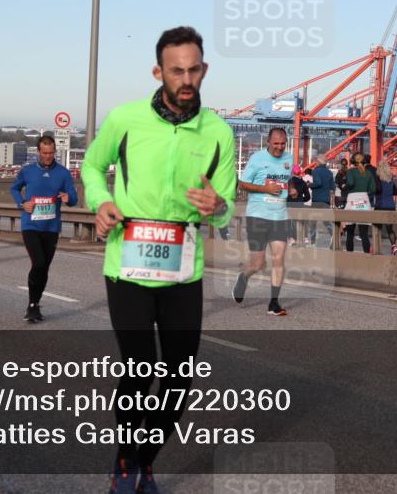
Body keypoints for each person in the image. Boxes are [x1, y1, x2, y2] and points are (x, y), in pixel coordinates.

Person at [82, 26, 236, 494]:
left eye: (194, 70)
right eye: (176, 71)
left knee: (178, 375)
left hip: (183, 268)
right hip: (126, 262)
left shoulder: (219, 132)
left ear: (204, 70)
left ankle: (140, 461)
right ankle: (127, 462)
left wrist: (219, 207)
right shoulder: (125, 119)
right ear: (159, 72)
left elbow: (225, 202)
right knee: (141, 364)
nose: (186, 79)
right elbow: (92, 165)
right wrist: (100, 201)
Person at [10, 136, 77, 322]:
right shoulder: (28, 171)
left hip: (52, 227)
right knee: (38, 263)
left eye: (51, 152)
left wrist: (67, 198)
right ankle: (32, 305)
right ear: (38, 152)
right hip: (30, 225)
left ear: (55, 151)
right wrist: (23, 203)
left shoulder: (63, 173)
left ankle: (36, 304)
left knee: (44, 268)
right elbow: (14, 189)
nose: (48, 156)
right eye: (44, 153)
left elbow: (73, 198)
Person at [234, 127, 292, 317]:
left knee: (279, 258)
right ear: (268, 142)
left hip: (280, 216)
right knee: (258, 264)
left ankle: (273, 303)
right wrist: (265, 189)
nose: (279, 148)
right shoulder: (257, 159)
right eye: (276, 144)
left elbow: (285, 180)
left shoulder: (289, 159)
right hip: (258, 215)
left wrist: (290, 188)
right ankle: (244, 277)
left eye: (283, 144)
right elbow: (242, 183)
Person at [343, 152, 375, 253]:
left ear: (353, 161)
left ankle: (350, 255)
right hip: (364, 200)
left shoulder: (351, 172)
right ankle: (366, 256)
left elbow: (351, 183)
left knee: (350, 233)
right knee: (364, 233)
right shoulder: (368, 173)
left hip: (352, 199)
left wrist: (345, 187)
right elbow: (373, 189)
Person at [307, 156, 334, 246]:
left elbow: (318, 183)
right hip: (326, 200)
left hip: (317, 199)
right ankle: (333, 235)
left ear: (318, 162)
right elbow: (333, 187)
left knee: (313, 221)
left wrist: (309, 185)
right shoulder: (329, 172)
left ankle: (313, 242)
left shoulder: (316, 171)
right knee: (326, 221)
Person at [374, 160, 397, 255]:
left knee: (377, 228)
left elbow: (375, 190)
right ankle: (394, 246)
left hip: (380, 205)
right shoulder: (391, 181)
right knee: (390, 229)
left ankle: (375, 247)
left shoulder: (378, 180)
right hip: (390, 206)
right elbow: (395, 193)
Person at [286, 170, 310, 246]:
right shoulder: (303, 183)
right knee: (301, 221)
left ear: (293, 173)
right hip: (299, 204)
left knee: (290, 222)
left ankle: (292, 238)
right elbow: (308, 197)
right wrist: (302, 199)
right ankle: (304, 237)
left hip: (289, 204)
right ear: (300, 173)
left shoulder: (288, 182)